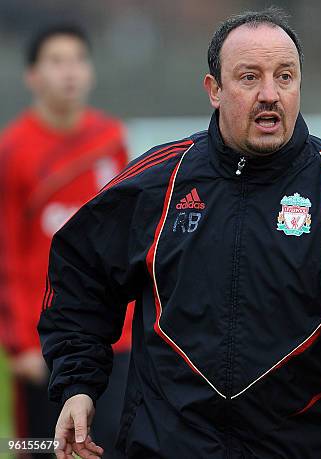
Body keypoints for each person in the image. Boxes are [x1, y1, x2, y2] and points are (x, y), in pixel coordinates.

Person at [38, 8, 321, 459]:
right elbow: (80, 277)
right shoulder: (159, 181)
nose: (270, 94)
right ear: (214, 89)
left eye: (285, 77)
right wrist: (78, 384)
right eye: (250, 77)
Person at [0, 24, 132, 458]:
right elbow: (6, 253)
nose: (69, 72)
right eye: (56, 62)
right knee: (39, 445)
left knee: (111, 442)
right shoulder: (12, 149)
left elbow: (127, 241)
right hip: (42, 340)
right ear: (33, 76)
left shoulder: (111, 140)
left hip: (115, 337)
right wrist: (19, 343)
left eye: (77, 60)